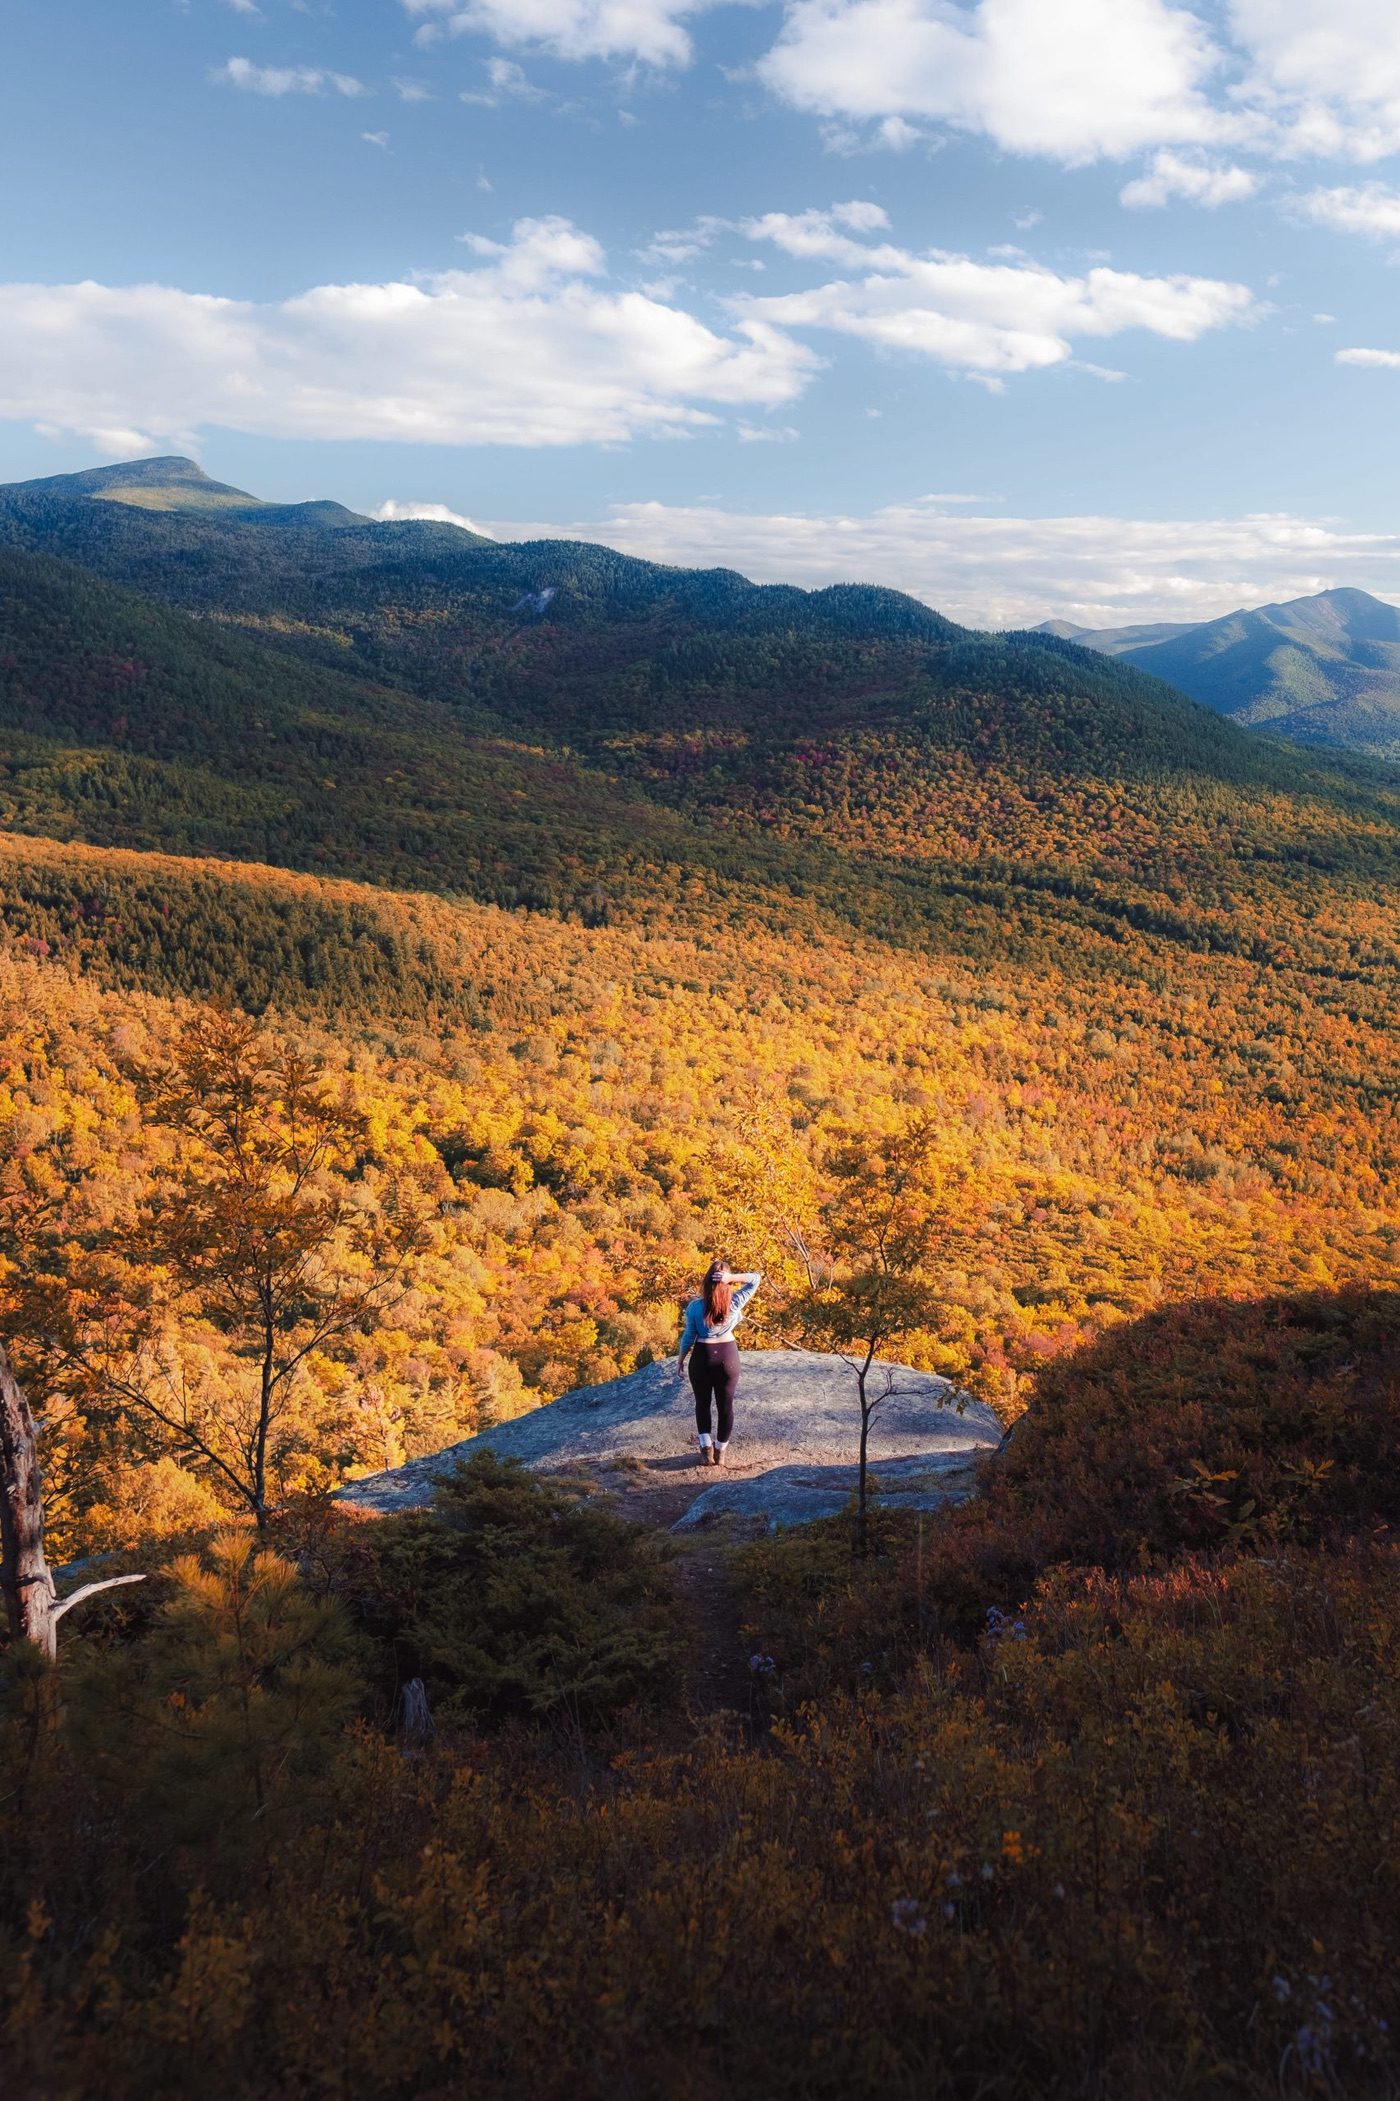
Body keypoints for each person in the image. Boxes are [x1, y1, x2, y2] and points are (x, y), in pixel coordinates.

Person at [678, 1260, 762, 1466]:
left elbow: (689, 1336)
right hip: (727, 1358)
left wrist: (681, 1359)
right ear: (727, 1283)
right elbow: (755, 1279)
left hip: (701, 1358)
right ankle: (720, 1452)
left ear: (706, 1281)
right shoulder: (734, 1302)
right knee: (726, 1407)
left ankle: (706, 1450)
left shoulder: (695, 1307)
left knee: (702, 1404)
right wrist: (732, 1278)